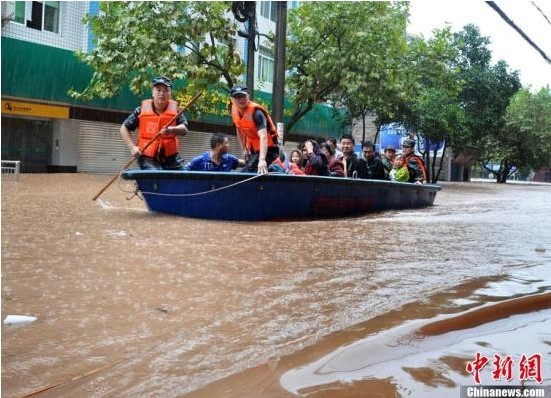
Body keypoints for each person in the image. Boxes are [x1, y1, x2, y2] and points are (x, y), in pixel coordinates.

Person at [120, 76, 189, 170]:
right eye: (158, 90)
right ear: (152, 92)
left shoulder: (176, 111)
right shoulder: (140, 111)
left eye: (166, 90)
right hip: (147, 157)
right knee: (157, 175)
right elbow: (124, 128)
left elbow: (184, 129)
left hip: (171, 158)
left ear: (170, 93)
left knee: (184, 177)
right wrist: (132, 147)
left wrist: (172, 130)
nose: (162, 93)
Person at [230, 85, 280, 175]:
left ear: (248, 96)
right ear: (232, 100)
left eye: (243, 96)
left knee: (247, 172)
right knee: (251, 167)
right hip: (254, 147)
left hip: (269, 147)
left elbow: (264, 137)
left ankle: (275, 171)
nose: (241, 100)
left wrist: (262, 160)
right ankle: (271, 170)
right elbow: (239, 130)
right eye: (237, 97)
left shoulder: (257, 113)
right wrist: (244, 149)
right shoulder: (234, 111)